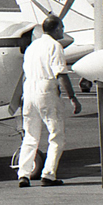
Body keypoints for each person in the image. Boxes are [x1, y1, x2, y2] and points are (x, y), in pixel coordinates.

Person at [17, 15, 81, 187]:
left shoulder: (32, 47)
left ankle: (23, 174)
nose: (63, 31)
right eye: (62, 28)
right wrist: (73, 98)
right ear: (57, 29)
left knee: (30, 135)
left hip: (29, 91)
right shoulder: (55, 46)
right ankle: (49, 174)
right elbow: (60, 74)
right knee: (56, 135)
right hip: (46, 90)